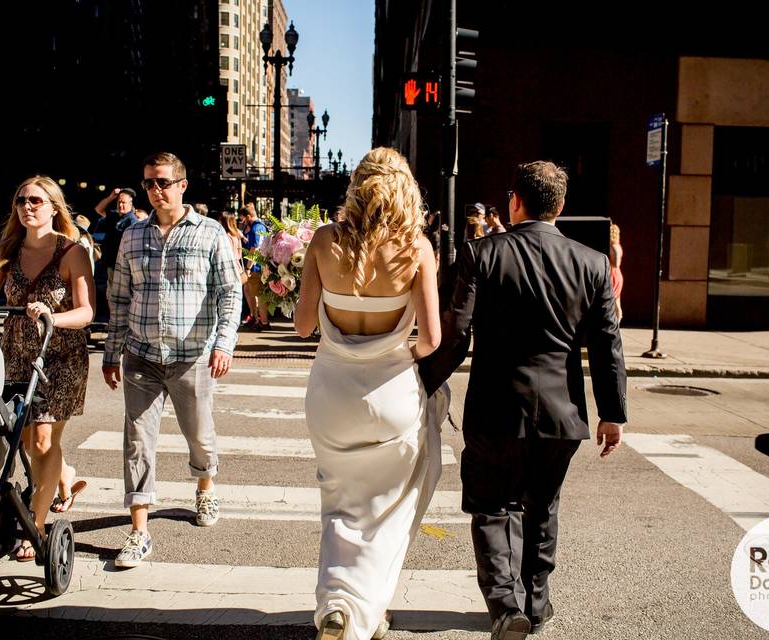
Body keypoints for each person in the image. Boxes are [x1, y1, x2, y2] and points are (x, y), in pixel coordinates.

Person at [419, 161, 627, 639]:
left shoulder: (481, 254)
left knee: (493, 506)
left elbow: (457, 336)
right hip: (562, 413)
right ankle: (535, 602)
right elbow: (606, 343)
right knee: (543, 504)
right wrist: (612, 413)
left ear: (515, 202)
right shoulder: (591, 263)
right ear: (560, 207)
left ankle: (505, 606)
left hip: (497, 408)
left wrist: (424, 381)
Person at [294, 147, 448, 640]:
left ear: (356, 187)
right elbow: (431, 340)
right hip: (390, 397)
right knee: (387, 510)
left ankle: (338, 606)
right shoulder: (416, 249)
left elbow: (300, 326)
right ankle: (362, 610)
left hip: (331, 395)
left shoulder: (323, 242)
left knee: (338, 502)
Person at [102, 152, 242, 568]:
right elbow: (120, 299)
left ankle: (205, 486)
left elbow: (229, 293)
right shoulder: (132, 236)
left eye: (162, 182)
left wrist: (224, 344)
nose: (155, 190)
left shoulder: (211, 233)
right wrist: (112, 352)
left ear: (183, 185)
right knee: (137, 442)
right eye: (148, 183)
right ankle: (139, 532)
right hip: (141, 357)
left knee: (199, 435)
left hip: (192, 357)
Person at [0, 176, 95, 561]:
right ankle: (64, 475)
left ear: (53, 207)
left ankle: (37, 524)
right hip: (14, 354)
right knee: (27, 441)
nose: (27, 207)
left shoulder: (72, 251)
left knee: (42, 441)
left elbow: (86, 312)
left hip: (59, 355)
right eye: (20, 201)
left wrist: (52, 316)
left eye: (36, 200)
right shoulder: (5, 251)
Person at [94, 187, 140, 288]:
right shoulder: (114, 215)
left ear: (130, 204)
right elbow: (98, 209)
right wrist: (111, 197)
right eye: (119, 202)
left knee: (119, 297)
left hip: (122, 266)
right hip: (110, 263)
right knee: (110, 295)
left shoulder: (132, 222)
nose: (120, 205)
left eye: (123, 202)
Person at [241, 202, 270, 331]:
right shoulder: (260, 226)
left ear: (247, 217)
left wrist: (248, 268)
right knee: (253, 293)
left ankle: (263, 322)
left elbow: (255, 248)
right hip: (258, 266)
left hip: (256, 267)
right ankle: (259, 319)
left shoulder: (256, 228)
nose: (241, 221)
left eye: (242, 218)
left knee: (258, 295)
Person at [219, 211, 249, 287]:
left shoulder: (224, 236)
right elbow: (239, 254)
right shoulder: (236, 235)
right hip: (238, 268)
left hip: (228, 270)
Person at [609, 223, 624, 323]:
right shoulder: (617, 245)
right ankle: (617, 323)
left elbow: (616, 264)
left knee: (613, 300)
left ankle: (616, 323)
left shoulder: (613, 247)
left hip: (612, 274)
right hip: (617, 274)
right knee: (617, 302)